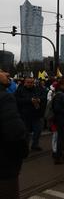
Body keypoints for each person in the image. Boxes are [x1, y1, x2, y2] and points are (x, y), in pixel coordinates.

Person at [0, 69, 29, 199]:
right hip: (5, 163)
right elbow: (15, 131)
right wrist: (22, 151)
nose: (7, 74)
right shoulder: (5, 97)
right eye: (1, 71)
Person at [15, 76, 45, 151]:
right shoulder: (20, 90)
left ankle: (35, 145)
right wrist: (29, 100)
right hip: (25, 115)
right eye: (28, 82)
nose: (30, 84)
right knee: (26, 133)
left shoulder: (38, 89)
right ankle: (25, 147)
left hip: (37, 114)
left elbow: (44, 97)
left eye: (31, 82)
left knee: (38, 131)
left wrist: (39, 99)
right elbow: (17, 100)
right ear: (25, 82)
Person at [52, 78, 64, 165]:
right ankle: (58, 157)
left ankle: (60, 154)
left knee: (62, 138)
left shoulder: (63, 93)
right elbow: (56, 108)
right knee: (61, 138)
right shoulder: (60, 95)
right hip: (60, 119)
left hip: (62, 118)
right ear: (62, 85)